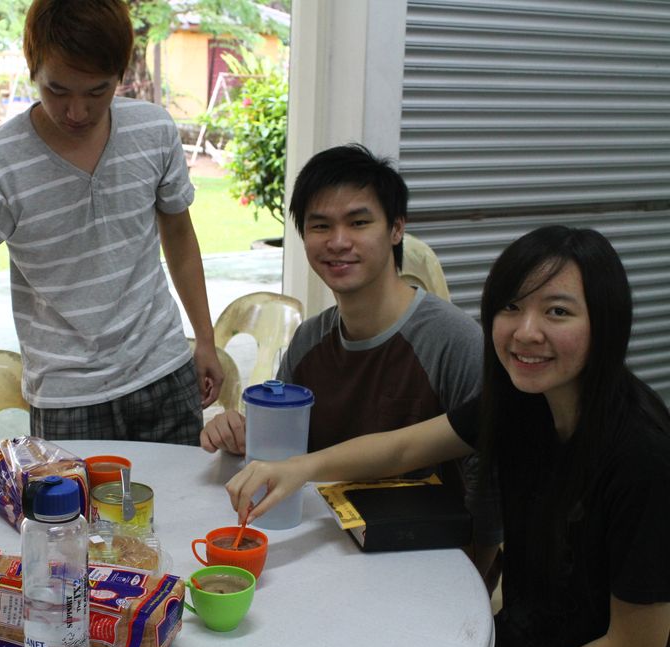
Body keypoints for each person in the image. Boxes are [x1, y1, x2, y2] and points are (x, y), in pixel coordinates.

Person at [228, 225, 670, 647]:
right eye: (511, 307)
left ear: (606, 322)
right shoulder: (524, 402)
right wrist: (300, 467)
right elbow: (403, 447)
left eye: (557, 312)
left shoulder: (643, 458)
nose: (526, 332)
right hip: (518, 643)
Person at [0, 0, 222, 477]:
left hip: (164, 373)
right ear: (33, 69)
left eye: (98, 91)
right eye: (57, 89)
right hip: (69, 398)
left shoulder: (153, 131)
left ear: (120, 74)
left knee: (178, 509)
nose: (76, 111)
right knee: (72, 523)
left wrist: (205, 338)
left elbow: (179, 235)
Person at [201, 144, 501, 575]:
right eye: (320, 225)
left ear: (396, 229)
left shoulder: (453, 341)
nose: (338, 242)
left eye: (359, 223)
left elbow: (488, 479)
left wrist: (478, 575)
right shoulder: (309, 340)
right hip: (327, 555)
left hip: (426, 564)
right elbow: (289, 451)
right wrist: (242, 435)